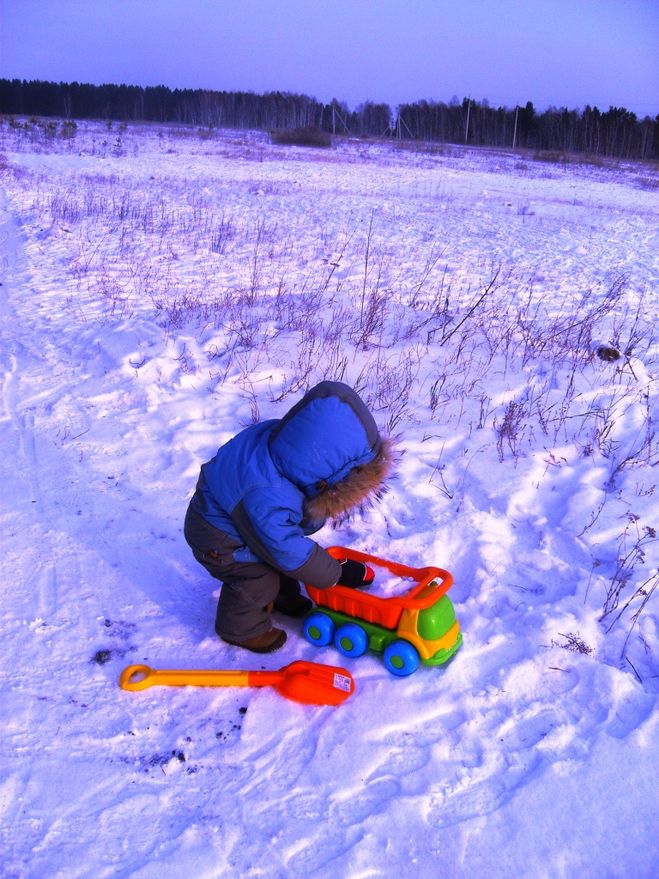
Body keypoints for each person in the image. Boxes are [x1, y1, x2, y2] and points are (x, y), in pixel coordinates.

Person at [184, 381, 393, 653]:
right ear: (322, 479)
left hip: (236, 521)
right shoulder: (267, 493)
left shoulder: (283, 451)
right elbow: (286, 549)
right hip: (218, 540)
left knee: (270, 556)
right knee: (257, 577)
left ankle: (281, 597)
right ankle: (240, 628)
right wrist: (334, 574)